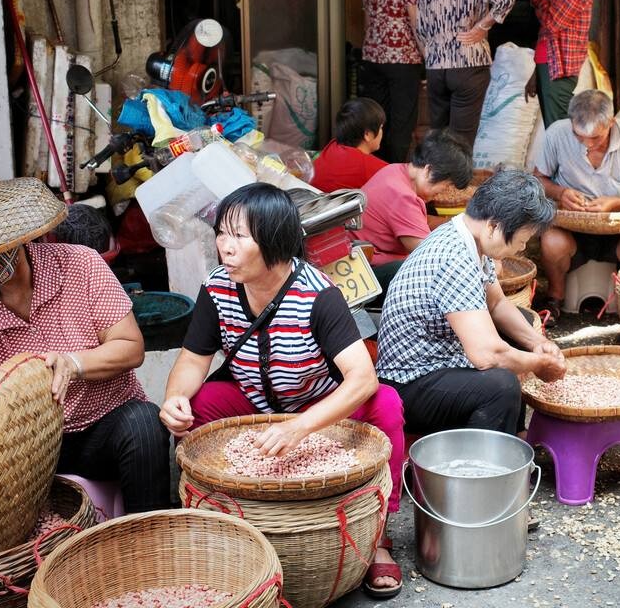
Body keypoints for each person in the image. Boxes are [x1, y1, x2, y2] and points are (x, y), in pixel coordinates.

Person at [158, 183, 406, 600]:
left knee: (386, 403)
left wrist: (301, 428)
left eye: (239, 236)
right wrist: (174, 400)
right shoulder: (218, 289)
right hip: (254, 399)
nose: (225, 247)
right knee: (198, 407)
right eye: (222, 233)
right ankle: (220, 524)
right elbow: (193, 360)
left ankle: (378, 536)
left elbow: (362, 378)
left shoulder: (318, 295)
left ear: (274, 240)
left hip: (318, 404)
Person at [0, 164, 170, 512]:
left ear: (12, 236)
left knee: (143, 424)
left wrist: (74, 363)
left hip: (97, 434)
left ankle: (147, 539)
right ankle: (8, 519)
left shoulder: (80, 264)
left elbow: (130, 348)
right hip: (25, 452)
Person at [375, 169, 566, 439]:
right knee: (501, 384)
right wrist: (539, 363)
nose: (522, 248)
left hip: (438, 362)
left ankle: (515, 438)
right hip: (408, 384)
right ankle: (484, 467)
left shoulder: (470, 237)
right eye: (521, 240)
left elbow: (497, 303)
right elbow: (487, 354)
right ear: (494, 227)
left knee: (519, 325)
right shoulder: (454, 257)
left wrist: (536, 343)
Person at [531, 90, 620, 323]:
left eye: (596, 138)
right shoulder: (557, 133)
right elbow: (538, 180)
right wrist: (561, 192)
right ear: (571, 124)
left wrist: (618, 203)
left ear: (611, 122)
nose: (588, 145)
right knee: (551, 241)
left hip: (619, 230)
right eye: (579, 137)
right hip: (572, 228)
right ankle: (555, 298)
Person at [416, 0, 516, 146]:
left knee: (438, 137)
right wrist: (482, 26)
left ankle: (437, 181)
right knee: (461, 140)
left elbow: (421, 27)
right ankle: (458, 182)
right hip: (469, 65)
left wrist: (431, 58)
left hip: (436, 68)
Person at [352, 129, 473, 291]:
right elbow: (431, 255)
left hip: (361, 261)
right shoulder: (403, 196)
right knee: (439, 272)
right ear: (429, 170)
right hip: (367, 273)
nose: (445, 190)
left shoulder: (394, 170)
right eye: (447, 184)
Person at [359, 0, 424, 163]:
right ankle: (395, 171)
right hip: (402, 59)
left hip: (372, 58)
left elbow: (367, 24)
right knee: (401, 120)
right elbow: (414, 19)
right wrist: (425, 52)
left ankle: (377, 168)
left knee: (378, 120)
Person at [519, 0, 594, 126]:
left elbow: (552, 24)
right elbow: (546, 35)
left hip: (560, 68)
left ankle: (570, 160)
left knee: (560, 128)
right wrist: (536, 73)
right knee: (554, 128)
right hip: (549, 64)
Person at [311, 98, 388, 192]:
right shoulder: (369, 167)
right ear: (367, 134)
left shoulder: (332, 146)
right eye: (381, 127)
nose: (382, 132)